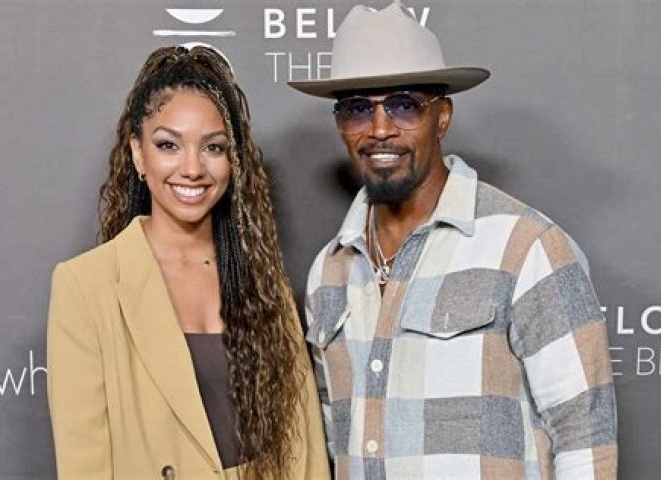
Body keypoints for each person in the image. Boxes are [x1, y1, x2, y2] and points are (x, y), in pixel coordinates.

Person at [289, 3, 617, 479]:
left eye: (404, 105)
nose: (380, 129)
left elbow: (585, 436)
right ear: (341, 125)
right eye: (358, 109)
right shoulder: (329, 269)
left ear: (442, 117)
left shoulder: (526, 246)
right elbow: (331, 441)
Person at [47, 46, 330, 479]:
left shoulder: (263, 283)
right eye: (168, 145)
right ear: (138, 153)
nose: (193, 168)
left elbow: (304, 452)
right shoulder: (86, 286)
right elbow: (84, 465)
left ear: (233, 161)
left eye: (213, 147)